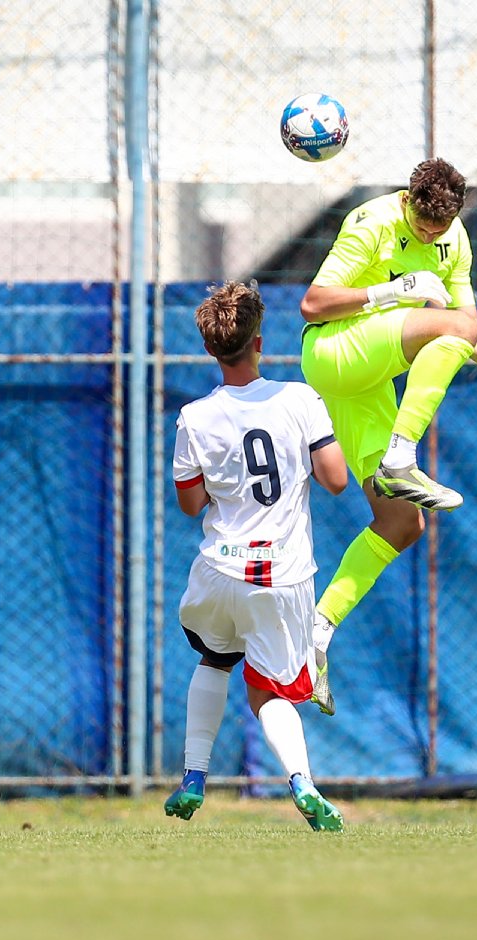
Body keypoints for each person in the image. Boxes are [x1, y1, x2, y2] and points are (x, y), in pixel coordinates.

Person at [299, 158, 477, 683]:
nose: (429, 236)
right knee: (450, 327)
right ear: (407, 200)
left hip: (366, 380)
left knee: (402, 523)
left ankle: (319, 630)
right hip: (332, 351)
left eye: (438, 229)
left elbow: (468, 328)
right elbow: (312, 304)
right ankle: (401, 456)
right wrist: (389, 292)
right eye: (422, 226)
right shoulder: (372, 222)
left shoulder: (455, 240)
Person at [164, 281, 350, 831]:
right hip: (283, 575)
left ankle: (194, 776)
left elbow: (190, 504)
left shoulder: (195, 416)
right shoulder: (300, 400)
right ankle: (302, 782)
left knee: (215, 658)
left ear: (209, 349)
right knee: (269, 692)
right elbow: (336, 480)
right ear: (260, 343)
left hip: (220, 569)